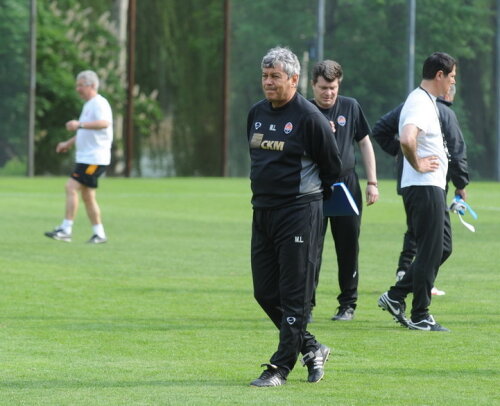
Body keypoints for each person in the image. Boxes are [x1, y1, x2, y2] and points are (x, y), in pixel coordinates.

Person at [247, 47, 342, 387]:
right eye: (264, 76)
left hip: (299, 212)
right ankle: (312, 348)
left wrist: (310, 205)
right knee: (264, 291)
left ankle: (279, 368)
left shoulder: (309, 117)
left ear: (293, 79)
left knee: (294, 295)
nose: (268, 82)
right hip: (263, 211)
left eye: (275, 77)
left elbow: (333, 167)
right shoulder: (256, 113)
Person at [377, 52, 457, 332]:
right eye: (452, 77)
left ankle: (396, 295)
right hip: (423, 187)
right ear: (439, 75)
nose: (452, 83)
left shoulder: (427, 102)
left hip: (432, 186)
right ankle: (420, 314)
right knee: (429, 250)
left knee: (442, 247)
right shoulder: (419, 102)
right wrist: (418, 163)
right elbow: (408, 138)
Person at [372, 84, 469, 296]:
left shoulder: (409, 105)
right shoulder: (442, 111)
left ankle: (404, 273)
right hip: (430, 182)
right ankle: (410, 290)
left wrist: (401, 155)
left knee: (417, 231)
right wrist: (460, 183)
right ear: (445, 92)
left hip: (408, 182)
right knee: (434, 243)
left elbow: (380, 129)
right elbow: (456, 149)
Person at [309, 60, 379, 322]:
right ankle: (307, 306)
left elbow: (364, 142)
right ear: (313, 85)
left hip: (346, 185)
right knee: (310, 249)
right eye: (324, 88)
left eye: (333, 88)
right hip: (314, 186)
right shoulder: (303, 109)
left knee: (348, 246)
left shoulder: (350, 106)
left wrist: (372, 182)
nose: (328, 93)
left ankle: (347, 305)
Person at [44, 70, 113, 244]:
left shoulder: (99, 103)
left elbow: (104, 123)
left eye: (80, 85)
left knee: (71, 187)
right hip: (87, 158)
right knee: (88, 196)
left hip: (94, 159)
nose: (77, 89)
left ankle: (66, 229)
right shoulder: (88, 105)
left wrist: (79, 124)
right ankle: (99, 234)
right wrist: (69, 142)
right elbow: (86, 131)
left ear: (92, 85)